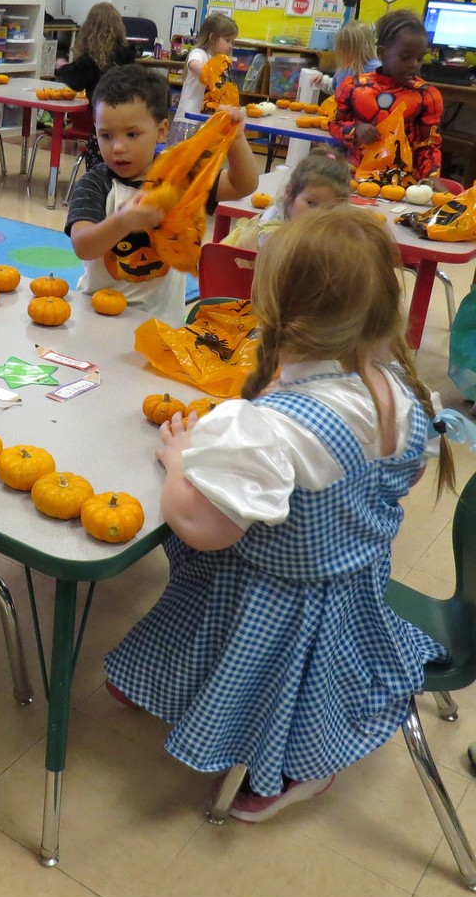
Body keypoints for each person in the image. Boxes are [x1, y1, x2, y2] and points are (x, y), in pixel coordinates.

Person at [104, 207, 453, 822]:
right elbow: (400, 476)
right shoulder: (401, 388)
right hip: (354, 581)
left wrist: (182, 461)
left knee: (286, 690)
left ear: (273, 310)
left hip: (271, 595)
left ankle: (305, 770)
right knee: (209, 639)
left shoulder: (271, 427)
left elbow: (204, 530)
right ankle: (172, 683)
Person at [65, 64, 258, 323]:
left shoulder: (179, 179)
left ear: (161, 131)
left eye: (132, 134)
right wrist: (123, 221)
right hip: (98, 314)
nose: (118, 147)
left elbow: (242, 185)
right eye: (106, 135)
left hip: (162, 320)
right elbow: (83, 246)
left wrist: (236, 139)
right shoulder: (95, 183)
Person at [329, 10, 443, 182]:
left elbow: (428, 144)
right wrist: (355, 129)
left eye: (420, 58)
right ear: (382, 53)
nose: (414, 65)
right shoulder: (353, 87)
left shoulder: (427, 96)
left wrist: (432, 177)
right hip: (355, 175)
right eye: (405, 57)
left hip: (403, 181)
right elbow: (334, 124)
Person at [54, 2, 139, 171]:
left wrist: (62, 66)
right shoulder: (127, 55)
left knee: (98, 163)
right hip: (126, 116)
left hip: (103, 119)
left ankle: (97, 184)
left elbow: (76, 82)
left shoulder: (90, 60)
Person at [222, 146, 352, 250]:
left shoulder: (299, 227)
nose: (318, 215)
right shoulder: (272, 235)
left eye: (330, 209)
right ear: (289, 193)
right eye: (311, 203)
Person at [169, 12, 239, 143]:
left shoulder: (218, 60)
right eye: (227, 40)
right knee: (184, 153)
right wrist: (215, 77)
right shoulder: (199, 53)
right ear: (212, 37)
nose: (230, 45)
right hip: (188, 118)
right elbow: (193, 64)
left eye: (232, 41)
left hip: (204, 119)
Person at [315, 20, 379, 95]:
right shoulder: (344, 68)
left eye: (344, 50)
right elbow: (335, 87)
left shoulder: (377, 69)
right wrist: (323, 81)